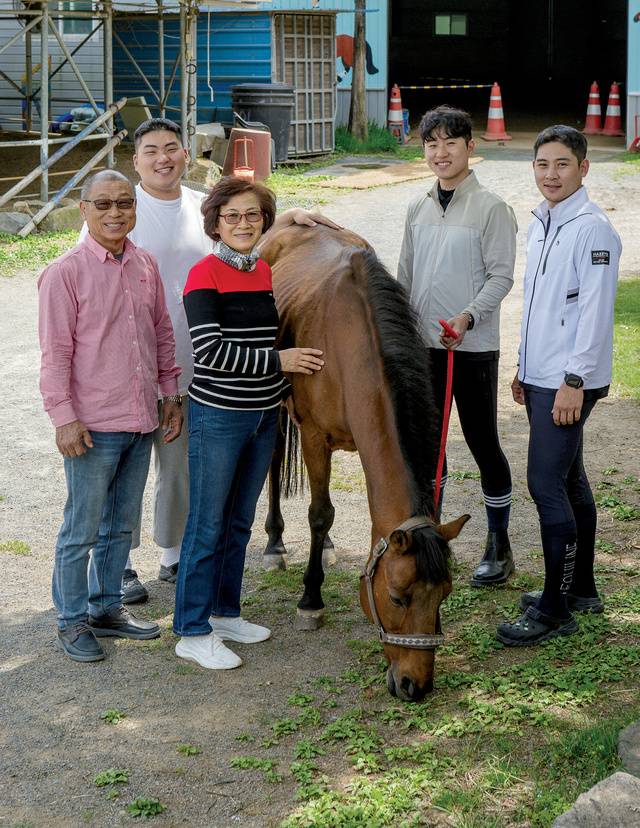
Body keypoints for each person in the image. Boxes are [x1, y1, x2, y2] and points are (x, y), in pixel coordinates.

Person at [79, 117, 339, 604]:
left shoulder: (203, 207)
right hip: (130, 368)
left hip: (196, 368)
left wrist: (291, 215)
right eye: (151, 150)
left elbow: (246, 230)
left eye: (171, 148)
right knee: (123, 471)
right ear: (136, 161)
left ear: (186, 153)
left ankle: (173, 553)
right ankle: (120, 564)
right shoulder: (120, 212)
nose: (163, 158)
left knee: (179, 469)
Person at [173, 177, 324, 670]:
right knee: (207, 524)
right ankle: (191, 630)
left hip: (262, 417)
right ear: (215, 224)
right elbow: (209, 351)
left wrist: (282, 392)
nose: (243, 223)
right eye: (232, 216)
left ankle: (224, 613)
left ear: (264, 221)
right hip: (219, 417)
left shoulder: (261, 271)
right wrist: (281, 362)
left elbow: (259, 339)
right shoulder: (204, 274)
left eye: (252, 215)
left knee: (239, 522)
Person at [38, 170, 183, 663]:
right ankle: (71, 620)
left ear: (135, 209)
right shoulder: (64, 273)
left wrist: (170, 394)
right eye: (103, 204)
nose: (115, 212)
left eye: (124, 202)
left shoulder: (145, 265)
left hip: (141, 418)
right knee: (81, 529)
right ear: (84, 210)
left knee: (121, 525)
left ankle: (105, 608)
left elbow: (161, 333)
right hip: (92, 427)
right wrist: (63, 418)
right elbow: (55, 355)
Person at [497, 125, 621, 646]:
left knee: (545, 484)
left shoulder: (593, 230)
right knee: (569, 481)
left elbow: (594, 313)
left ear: (583, 168)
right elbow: (542, 307)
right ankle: (580, 589)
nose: (550, 174)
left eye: (562, 164)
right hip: (543, 375)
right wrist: (524, 367)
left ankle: (554, 610)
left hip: (568, 379)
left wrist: (573, 381)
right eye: (542, 164)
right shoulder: (544, 222)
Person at [397, 105, 517, 586]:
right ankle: (429, 541)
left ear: (471, 146)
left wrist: (468, 317)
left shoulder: (491, 208)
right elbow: (405, 277)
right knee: (428, 449)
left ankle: (499, 544)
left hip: (472, 347)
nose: (440, 152)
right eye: (432, 144)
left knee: (483, 442)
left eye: (450, 142)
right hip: (423, 349)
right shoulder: (417, 207)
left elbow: (501, 277)